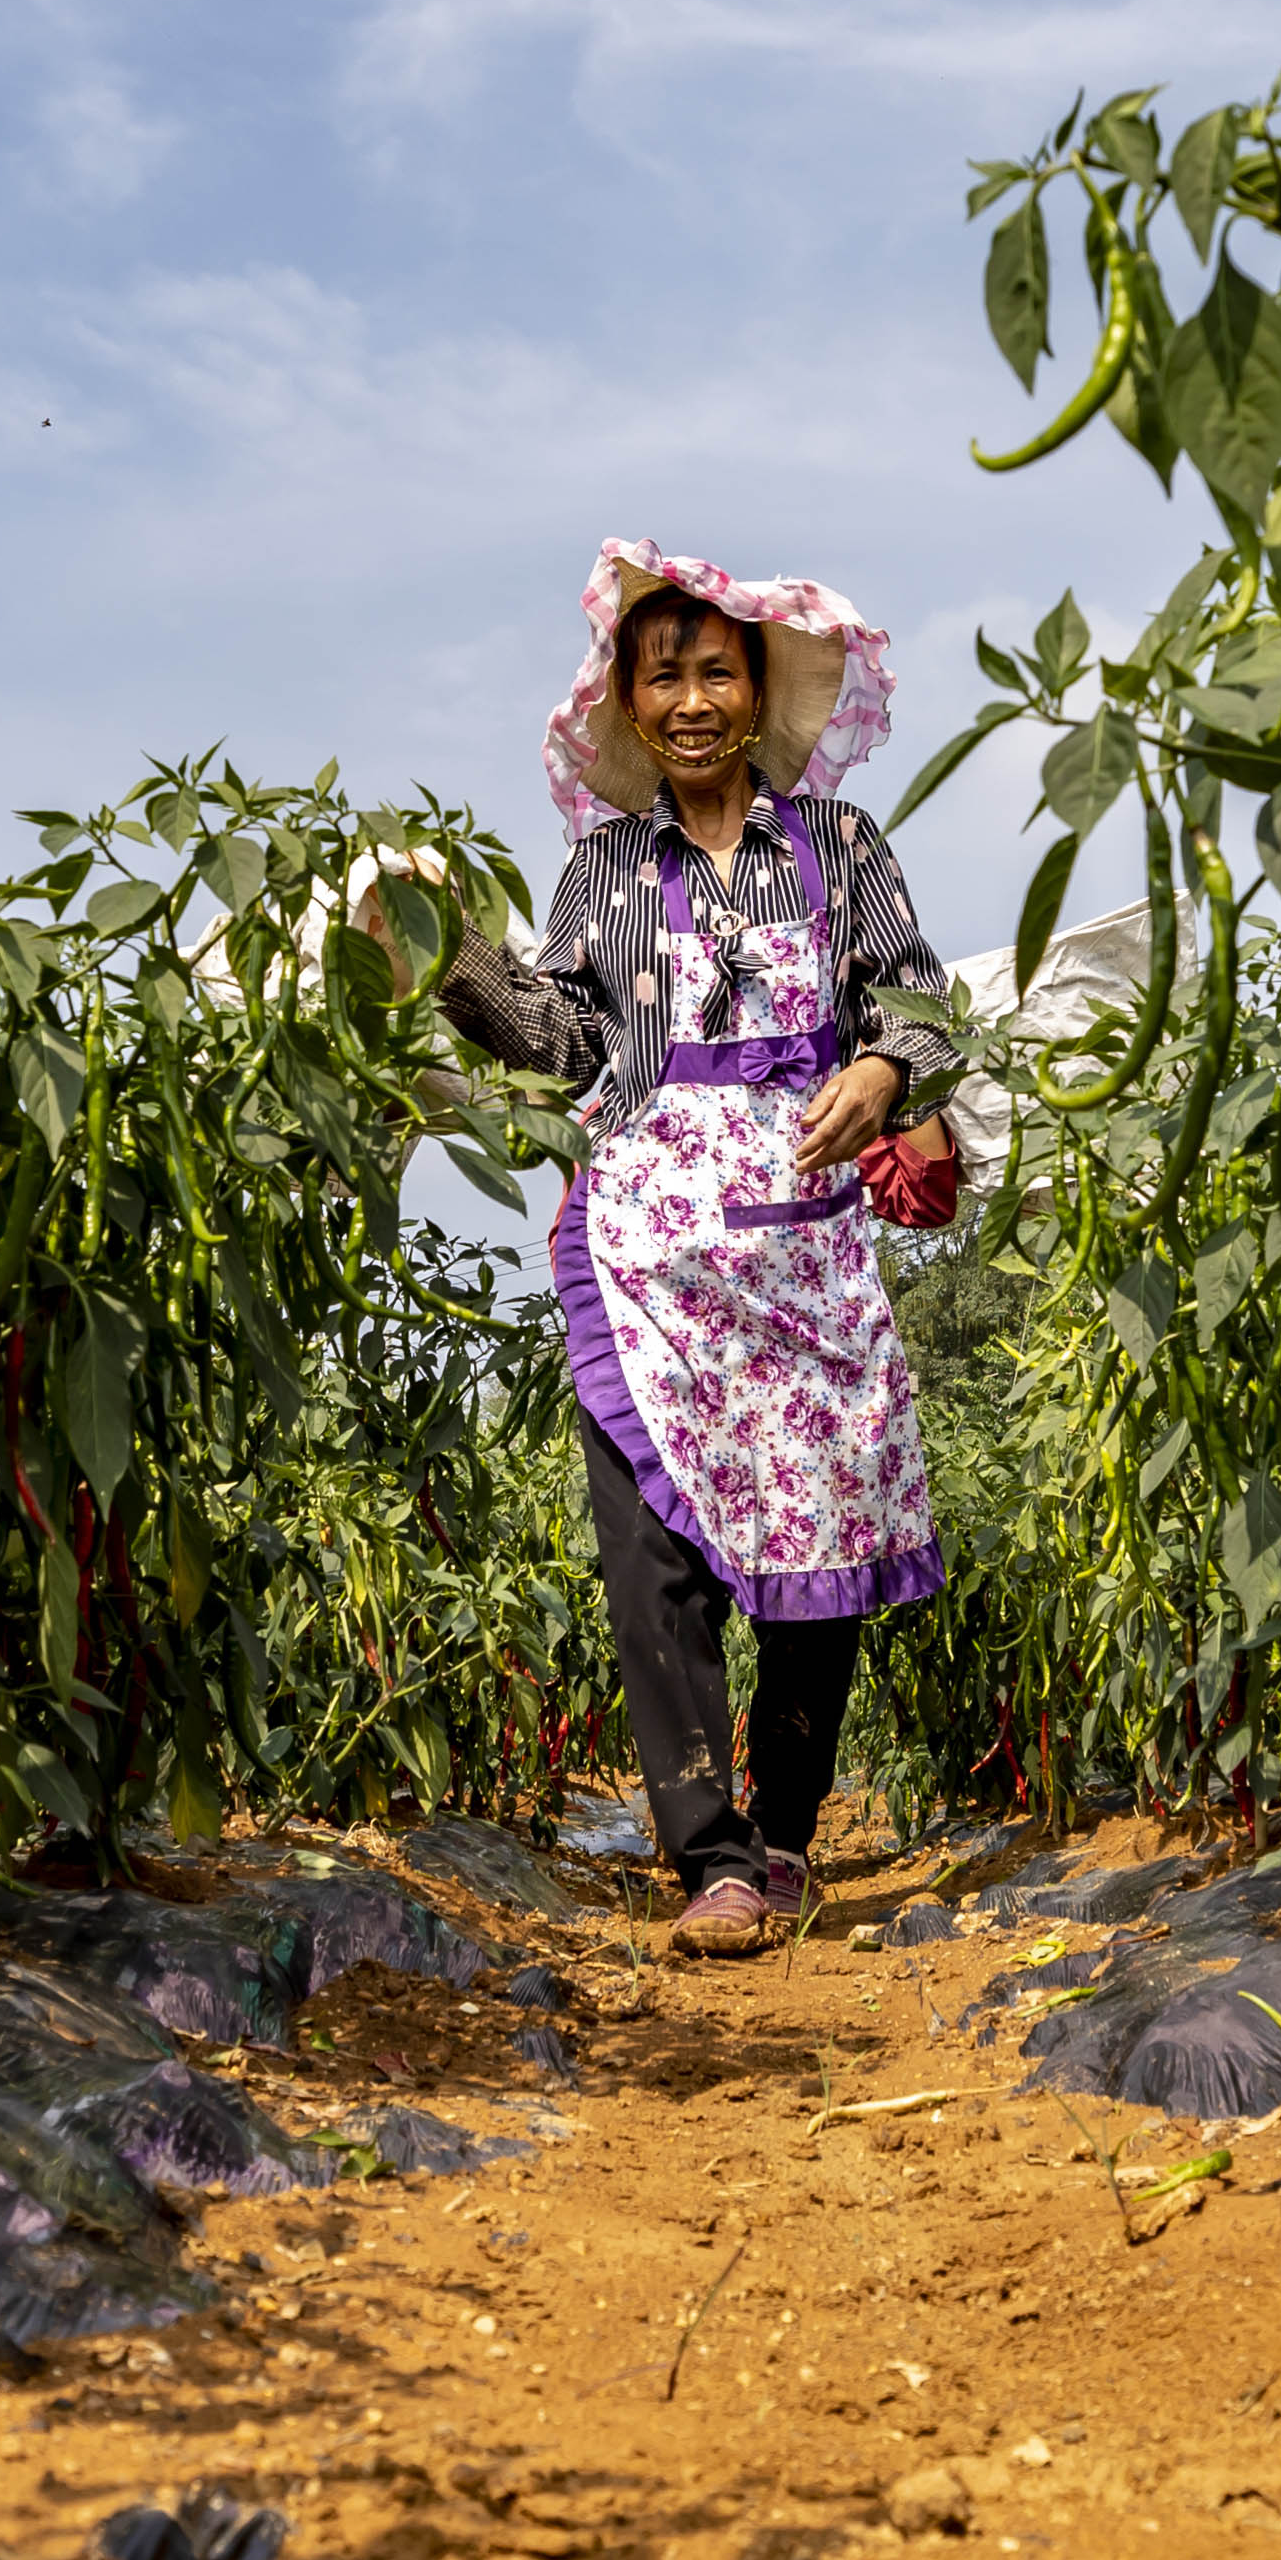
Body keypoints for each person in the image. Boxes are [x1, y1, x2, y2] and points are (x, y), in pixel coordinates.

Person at [431, 542, 958, 1957]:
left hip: (804, 1253)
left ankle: (786, 1831)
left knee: (821, 1530)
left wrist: (889, 1074)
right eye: (660, 675)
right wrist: (446, 958)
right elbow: (562, 1043)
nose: (691, 699)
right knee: (654, 1548)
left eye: (714, 669)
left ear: (758, 685)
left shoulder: (841, 852)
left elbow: (923, 1000)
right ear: (628, 704)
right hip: (650, 1252)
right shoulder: (601, 872)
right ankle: (709, 1856)